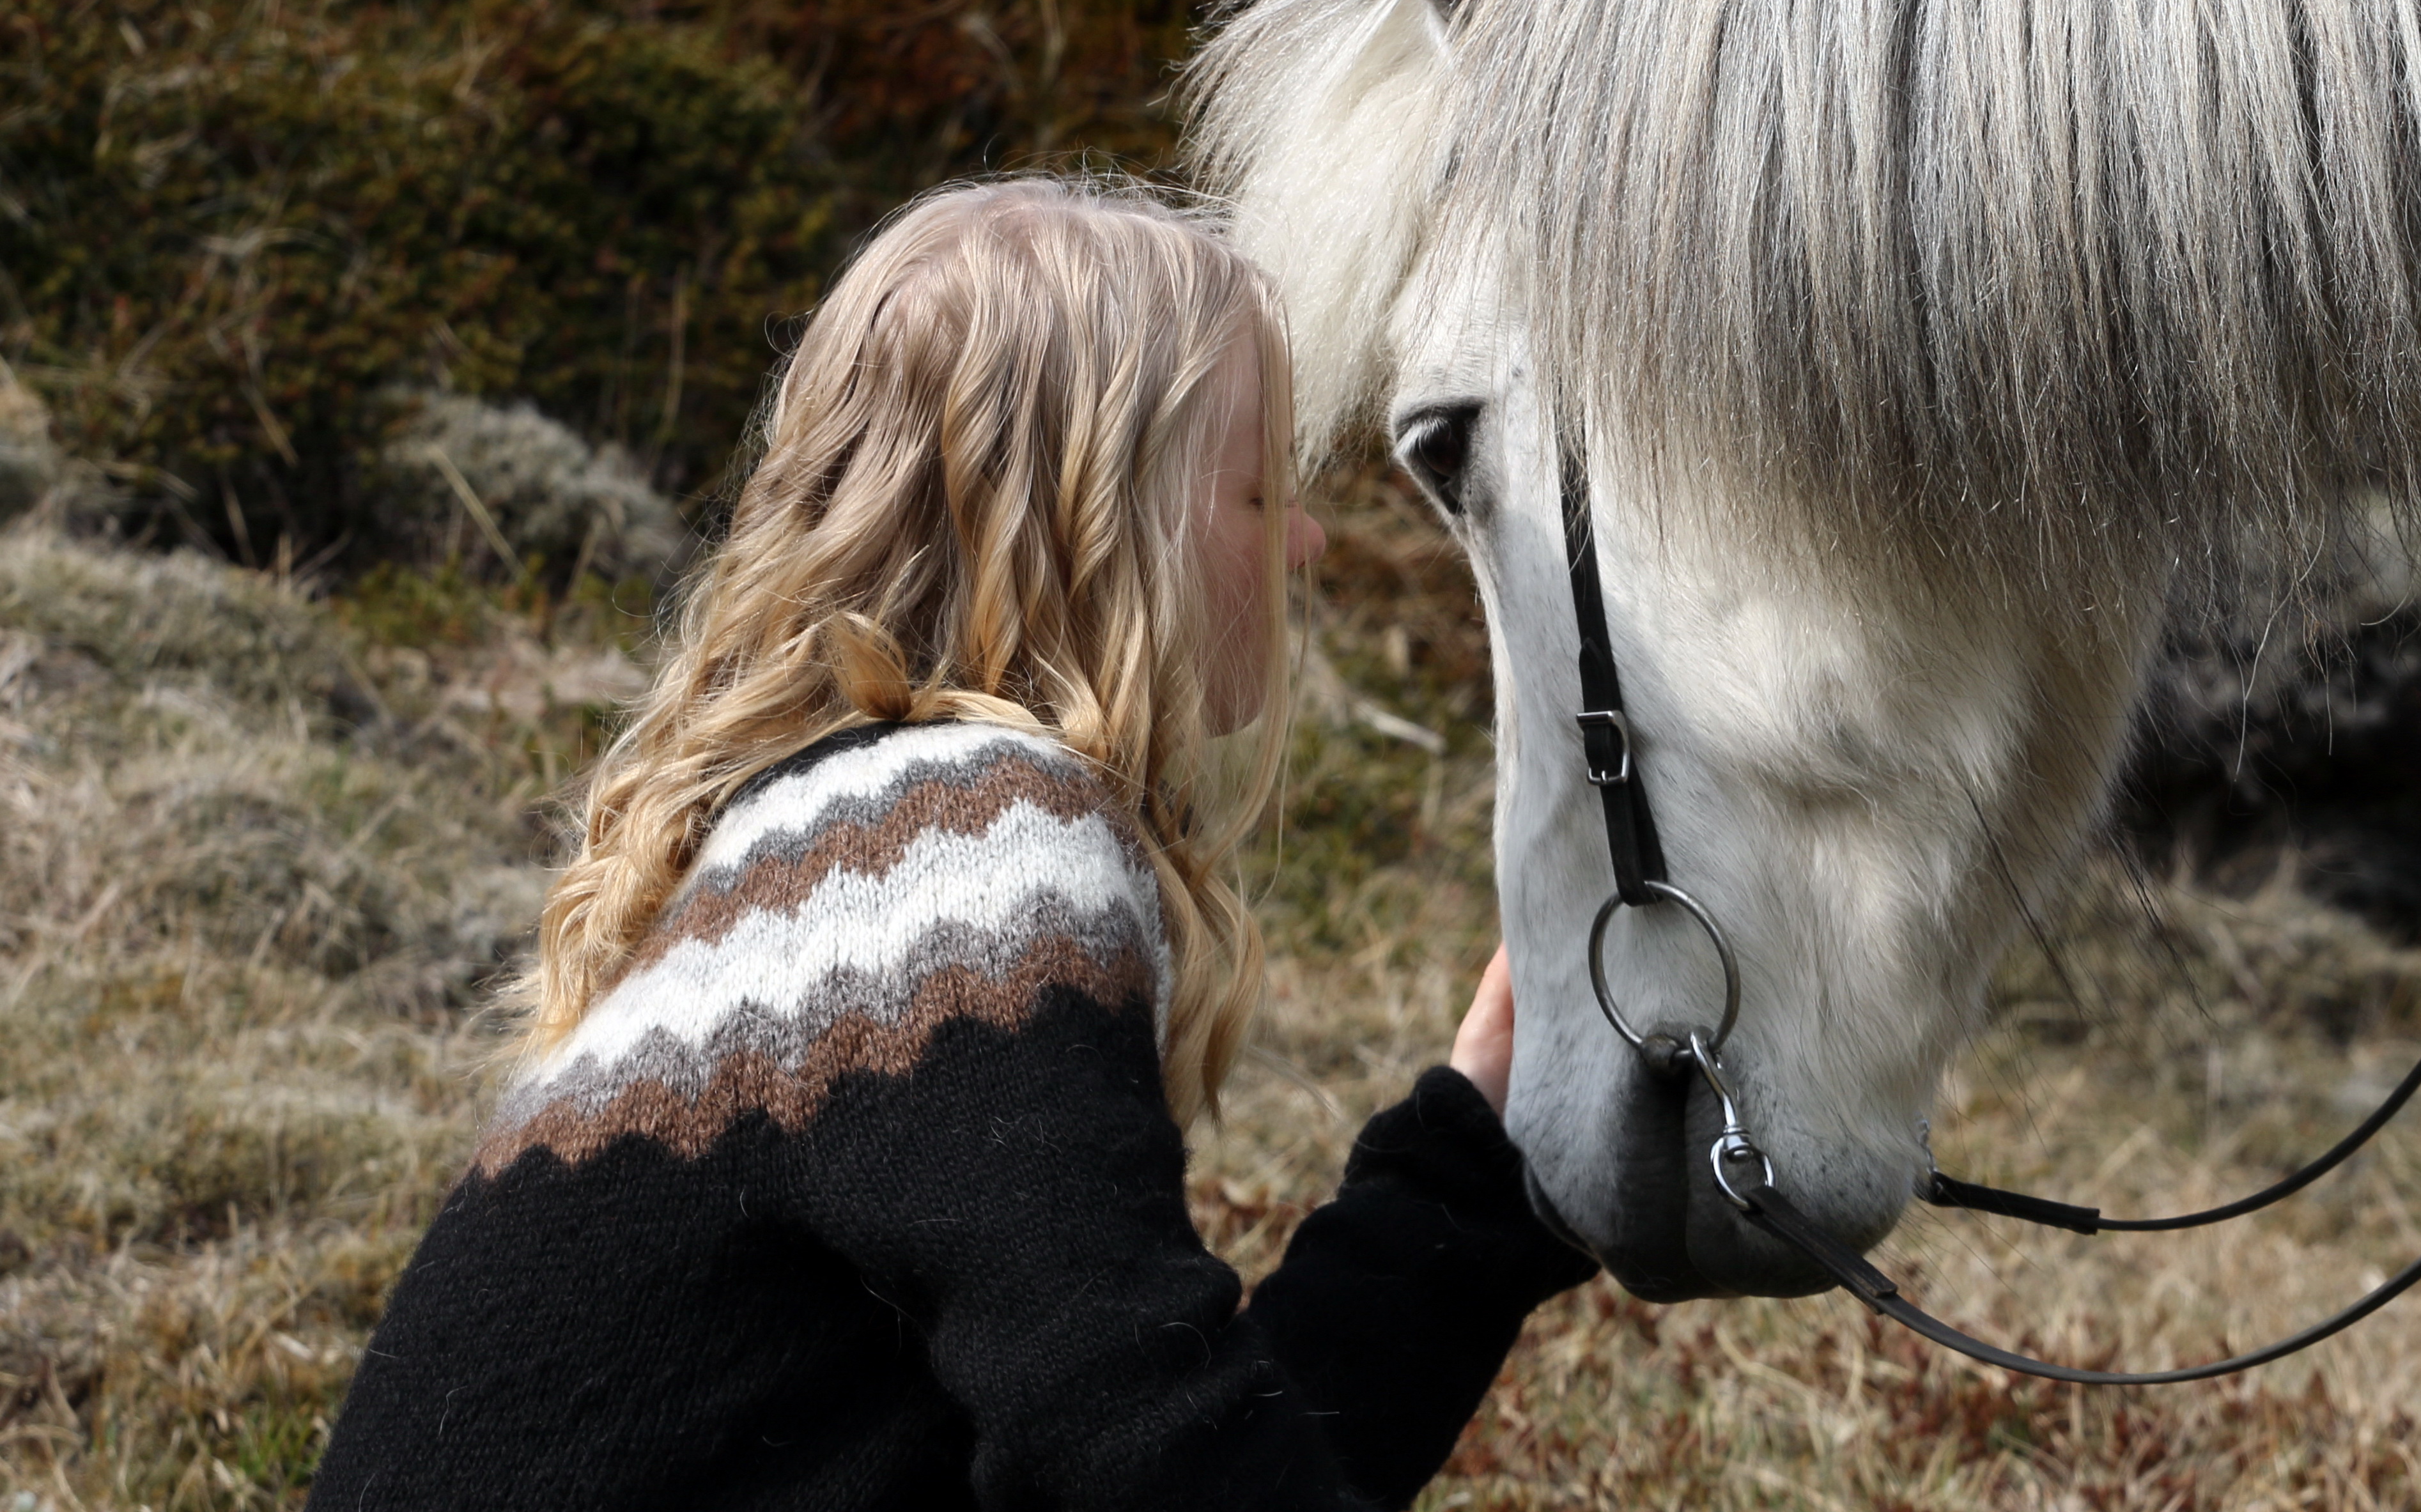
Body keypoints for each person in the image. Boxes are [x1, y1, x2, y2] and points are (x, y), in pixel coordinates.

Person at [309, 179, 1592, 1510]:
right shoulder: (955, 851)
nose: (1309, 544)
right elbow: (1151, 1458)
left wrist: (1471, 1158)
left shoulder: (830, 859)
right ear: (1099, 512)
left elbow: (1145, 1420)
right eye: (1260, 489)